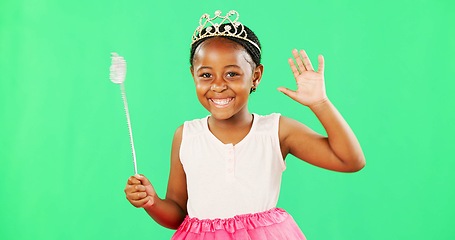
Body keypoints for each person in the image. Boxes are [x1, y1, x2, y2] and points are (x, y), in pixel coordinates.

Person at [124, 10, 365, 239]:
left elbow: (350, 160)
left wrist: (320, 103)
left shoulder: (276, 131)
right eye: (206, 75)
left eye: (232, 74)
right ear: (193, 76)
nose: (218, 86)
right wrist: (152, 201)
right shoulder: (186, 135)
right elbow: (178, 214)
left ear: (256, 76)